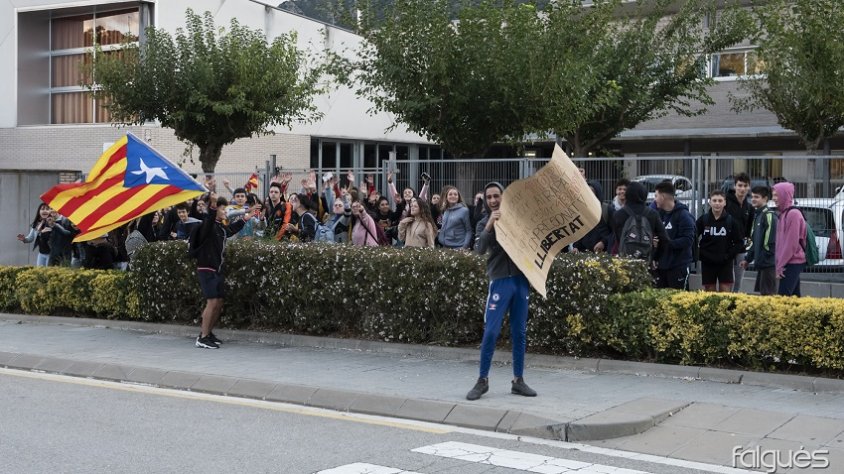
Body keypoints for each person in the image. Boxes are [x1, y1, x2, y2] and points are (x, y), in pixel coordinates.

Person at [466, 182, 536, 401]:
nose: (493, 200)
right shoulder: (482, 223)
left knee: (519, 333)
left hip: (521, 280)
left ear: (504, 197)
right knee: (491, 332)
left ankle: (518, 380)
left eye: (497, 196)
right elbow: (479, 249)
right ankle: (482, 380)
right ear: (485, 200)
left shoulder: (517, 218)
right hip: (499, 282)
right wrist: (490, 223)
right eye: (489, 197)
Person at [194, 195, 251, 349]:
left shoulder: (220, 226)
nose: (225, 211)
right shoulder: (208, 224)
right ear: (215, 210)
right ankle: (203, 337)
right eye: (222, 208)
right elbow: (209, 219)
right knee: (212, 301)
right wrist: (212, 205)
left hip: (217, 269)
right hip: (206, 268)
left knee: (219, 302)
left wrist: (247, 217)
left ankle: (208, 333)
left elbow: (231, 230)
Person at [611, 181, 669, 266]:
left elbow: (617, 239)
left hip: (624, 263)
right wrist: (654, 257)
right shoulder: (652, 214)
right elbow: (665, 240)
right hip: (646, 261)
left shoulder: (618, 215)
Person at [696, 190, 744, 292]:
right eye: (714, 200)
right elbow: (692, 237)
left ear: (724, 203)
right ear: (710, 202)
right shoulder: (703, 220)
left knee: (725, 295)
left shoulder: (731, 221)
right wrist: (700, 253)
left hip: (725, 264)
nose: (717, 203)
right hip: (707, 263)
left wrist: (728, 256)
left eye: (720, 200)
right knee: (710, 295)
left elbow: (739, 243)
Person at [653, 181, 695, 290]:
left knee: (678, 300)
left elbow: (688, 240)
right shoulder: (658, 215)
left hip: (678, 266)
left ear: (662, 197)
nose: (655, 199)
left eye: (656, 196)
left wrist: (666, 243)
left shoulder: (684, 216)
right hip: (661, 267)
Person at [741, 186, 778, 295]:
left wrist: (763, 258)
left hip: (768, 265)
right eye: (752, 197)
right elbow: (755, 241)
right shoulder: (758, 215)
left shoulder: (769, 216)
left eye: (756, 197)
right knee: (764, 294)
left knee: (768, 296)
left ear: (765, 199)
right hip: (762, 264)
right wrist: (748, 259)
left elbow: (770, 243)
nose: (753, 199)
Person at [773, 182, 806, 296]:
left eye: (777, 195)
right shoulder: (783, 214)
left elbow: (791, 244)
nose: (774, 198)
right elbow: (780, 244)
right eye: (773, 195)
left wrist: (780, 265)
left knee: (783, 297)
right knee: (795, 298)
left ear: (785, 195)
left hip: (792, 262)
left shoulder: (793, 214)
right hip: (788, 262)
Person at [725, 173, 754, 292]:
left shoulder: (749, 207)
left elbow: (748, 230)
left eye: (745, 186)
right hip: (726, 248)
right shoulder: (726, 202)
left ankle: (734, 305)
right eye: (740, 185)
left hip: (741, 249)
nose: (742, 189)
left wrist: (746, 246)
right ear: (735, 186)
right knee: (727, 280)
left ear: (749, 187)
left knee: (738, 281)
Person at [437, 185, 473, 250]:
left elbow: (469, 230)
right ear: (446, 197)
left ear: (458, 197)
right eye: (450, 194)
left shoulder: (464, 211)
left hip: (459, 248)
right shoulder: (445, 211)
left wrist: (464, 247)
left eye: (455, 194)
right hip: (445, 247)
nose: (453, 196)